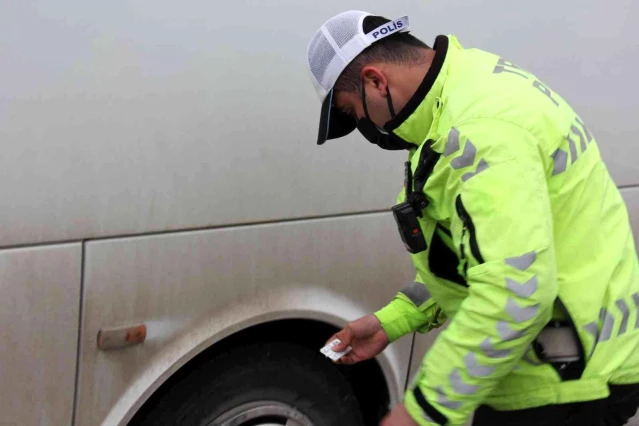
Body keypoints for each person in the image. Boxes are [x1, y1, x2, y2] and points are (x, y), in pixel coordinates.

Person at [305, 10, 639, 426]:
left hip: (560, 386)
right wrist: (389, 323)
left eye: (354, 113)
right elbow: (476, 260)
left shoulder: (478, 129)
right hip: (563, 366)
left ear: (376, 80)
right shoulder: (469, 83)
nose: (364, 127)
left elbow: (514, 293)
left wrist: (417, 414)